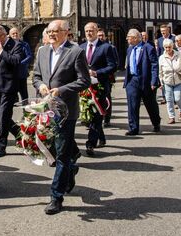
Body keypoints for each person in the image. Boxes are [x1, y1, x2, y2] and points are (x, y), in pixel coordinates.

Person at [33, 19, 90, 214]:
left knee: (62, 152)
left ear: (66, 33)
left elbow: (84, 80)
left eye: (56, 31)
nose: (51, 34)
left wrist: (62, 90)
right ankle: (71, 169)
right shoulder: (42, 51)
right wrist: (40, 85)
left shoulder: (75, 52)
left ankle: (56, 197)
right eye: (49, 31)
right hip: (46, 110)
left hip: (66, 111)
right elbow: (36, 76)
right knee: (51, 149)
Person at [80, 22, 117, 154]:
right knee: (90, 116)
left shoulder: (106, 47)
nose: (89, 33)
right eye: (87, 31)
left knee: (97, 114)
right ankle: (101, 137)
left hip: (100, 86)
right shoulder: (81, 47)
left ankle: (90, 144)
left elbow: (113, 66)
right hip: (85, 87)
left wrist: (97, 72)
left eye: (91, 30)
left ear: (96, 31)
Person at [0, 25, 25, 158]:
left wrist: (1, 52)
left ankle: (2, 145)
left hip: (8, 86)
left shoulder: (15, 45)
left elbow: (16, 61)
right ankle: (17, 131)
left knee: (4, 115)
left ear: (4, 35)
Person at [123, 28, 161, 136]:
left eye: (128, 37)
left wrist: (154, 81)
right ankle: (133, 128)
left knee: (150, 104)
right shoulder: (130, 49)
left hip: (146, 81)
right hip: (132, 80)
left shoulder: (148, 48)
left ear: (135, 38)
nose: (127, 39)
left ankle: (156, 122)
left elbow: (154, 65)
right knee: (132, 105)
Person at [159, 38, 181, 124]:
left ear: (172, 46)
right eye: (166, 47)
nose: (168, 49)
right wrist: (160, 82)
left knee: (178, 98)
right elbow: (160, 71)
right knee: (169, 99)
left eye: (169, 47)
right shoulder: (162, 58)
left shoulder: (179, 55)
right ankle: (172, 117)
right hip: (167, 81)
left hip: (179, 80)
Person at [9, 27, 33, 102]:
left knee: (24, 95)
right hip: (11, 74)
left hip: (21, 73)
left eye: (16, 33)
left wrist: (20, 64)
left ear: (19, 34)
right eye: (13, 33)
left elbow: (29, 56)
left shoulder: (24, 44)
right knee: (11, 96)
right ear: (10, 35)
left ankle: (26, 111)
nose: (15, 34)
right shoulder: (8, 45)